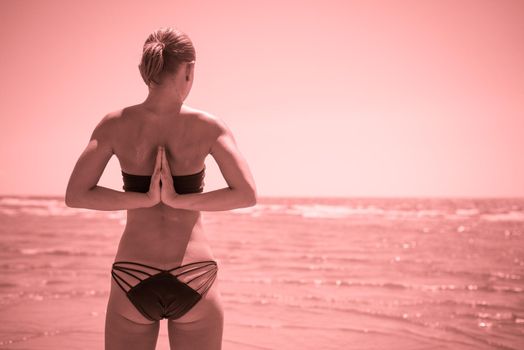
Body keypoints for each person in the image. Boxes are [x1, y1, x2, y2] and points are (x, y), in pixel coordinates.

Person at [65, 26, 257, 350]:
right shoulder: (208, 126)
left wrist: (144, 199)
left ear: (144, 70)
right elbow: (246, 194)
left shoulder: (115, 123)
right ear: (189, 69)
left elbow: (76, 194)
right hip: (194, 274)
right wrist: (180, 201)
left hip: (133, 274)